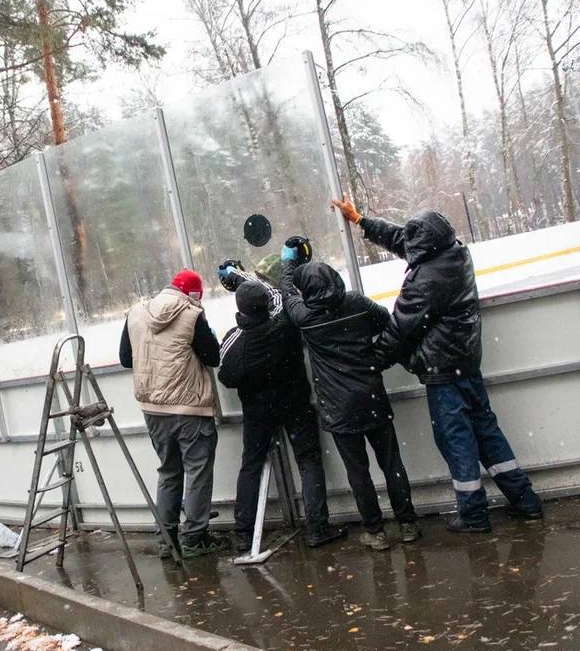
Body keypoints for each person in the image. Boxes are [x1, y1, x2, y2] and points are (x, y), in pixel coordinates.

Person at [331, 196, 544, 533]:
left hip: (444, 372)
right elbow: (403, 240)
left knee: (455, 440)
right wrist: (361, 220)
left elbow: (400, 330)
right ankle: (525, 499)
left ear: (424, 247)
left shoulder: (427, 278)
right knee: (486, 432)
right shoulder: (454, 252)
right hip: (466, 363)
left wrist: (369, 363)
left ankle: (473, 515)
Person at [277, 237, 421, 551]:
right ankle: (408, 524)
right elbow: (388, 323)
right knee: (391, 464)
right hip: (371, 396)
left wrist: (288, 263)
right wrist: (374, 356)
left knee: (359, 472)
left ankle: (376, 532)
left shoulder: (304, 317)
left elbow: (287, 291)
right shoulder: (356, 303)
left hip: (338, 407)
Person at [215, 266, 347, 551]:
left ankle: (244, 534)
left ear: (240, 310)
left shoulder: (236, 342)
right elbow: (276, 293)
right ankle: (317, 528)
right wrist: (242, 275)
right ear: (265, 304)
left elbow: (226, 376)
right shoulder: (285, 322)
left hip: (258, 414)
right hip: (295, 403)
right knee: (308, 461)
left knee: (251, 465)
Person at [119, 269, 227, 558]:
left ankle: (166, 540)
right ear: (194, 295)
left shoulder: (135, 313)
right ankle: (194, 538)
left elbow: (126, 359)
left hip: (153, 409)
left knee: (169, 471)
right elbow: (213, 357)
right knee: (197, 471)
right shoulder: (192, 315)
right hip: (189, 408)